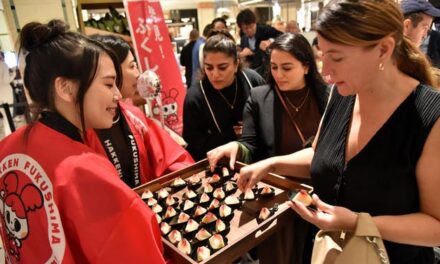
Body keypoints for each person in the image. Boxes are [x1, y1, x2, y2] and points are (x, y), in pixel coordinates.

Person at [236, 0, 440, 263]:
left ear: (383, 49)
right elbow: (322, 155)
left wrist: (358, 223)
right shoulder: (342, 94)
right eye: (323, 56)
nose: (326, 73)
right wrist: (271, 164)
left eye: (337, 58)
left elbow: (436, 227)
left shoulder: (429, 117)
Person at [0, 20, 166, 263]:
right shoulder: (84, 171)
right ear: (66, 88)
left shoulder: (7, 148)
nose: (118, 95)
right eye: (109, 84)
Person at [207, 32, 328, 264]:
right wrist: (236, 146)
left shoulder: (327, 97)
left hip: (318, 194)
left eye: (287, 67)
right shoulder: (260, 97)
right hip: (277, 197)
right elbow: (250, 145)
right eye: (273, 67)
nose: (278, 75)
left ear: (306, 66)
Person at [87, 35, 194, 188]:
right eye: (132, 66)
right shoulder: (83, 128)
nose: (138, 74)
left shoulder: (133, 116)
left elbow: (170, 158)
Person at [183, 30, 265, 161]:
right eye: (209, 68)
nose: (215, 75)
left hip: (257, 157)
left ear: (236, 64)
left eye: (222, 67)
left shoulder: (253, 81)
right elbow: (193, 140)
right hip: (218, 163)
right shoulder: (195, 96)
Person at [236, 9, 282, 76]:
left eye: (251, 26)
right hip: (253, 72)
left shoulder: (265, 30)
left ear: (255, 23)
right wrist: (243, 54)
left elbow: (284, 36)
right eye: (246, 28)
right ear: (241, 28)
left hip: (268, 70)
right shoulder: (243, 38)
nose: (249, 30)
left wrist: (271, 41)